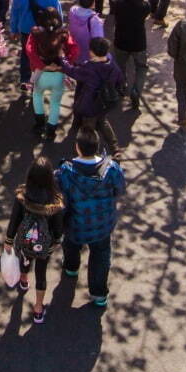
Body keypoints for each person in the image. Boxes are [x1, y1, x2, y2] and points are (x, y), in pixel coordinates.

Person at [55, 126, 126, 307]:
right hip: (102, 224)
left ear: (77, 147)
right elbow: (120, 189)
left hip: (75, 223)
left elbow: (58, 195)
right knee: (101, 256)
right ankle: (98, 294)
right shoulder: (111, 168)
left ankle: (71, 268)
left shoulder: (65, 171)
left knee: (71, 245)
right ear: (97, 146)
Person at [3, 155, 64, 323]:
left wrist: (9, 240)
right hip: (44, 245)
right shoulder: (54, 201)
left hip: (26, 241)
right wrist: (56, 241)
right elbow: (58, 228)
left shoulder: (22, 196)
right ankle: (38, 308)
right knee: (41, 273)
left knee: (25, 259)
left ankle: (23, 280)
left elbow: (14, 220)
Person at [62, 36, 125, 157]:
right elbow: (120, 81)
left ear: (92, 52)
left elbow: (71, 70)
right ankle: (115, 148)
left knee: (88, 131)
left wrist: (62, 58)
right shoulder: (113, 66)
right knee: (103, 121)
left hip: (89, 104)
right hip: (105, 103)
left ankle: (91, 154)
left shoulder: (89, 67)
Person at [8, 0, 62, 95]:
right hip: (45, 31)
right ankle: (38, 82)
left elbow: (14, 14)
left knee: (26, 54)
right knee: (42, 56)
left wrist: (14, 30)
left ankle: (25, 79)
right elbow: (58, 15)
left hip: (26, 31)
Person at [27, 10, 78, 142]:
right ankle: (51, 131)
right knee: (55, 103)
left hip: (41, 73)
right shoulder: (64, 33)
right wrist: (65, 65)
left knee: (37, 96)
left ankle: (39, 124)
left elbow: (29, 50)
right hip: (59, 74)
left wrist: (42, 65)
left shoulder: (35, 33)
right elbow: (74, 49)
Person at [111, 0, 152, 112]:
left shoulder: (117, 3)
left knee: (120, 65)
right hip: (138, 43)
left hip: (121, 41)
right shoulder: (144, 6)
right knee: (141, 68)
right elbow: (148, 8)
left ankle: (122, 86)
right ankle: (136, 91)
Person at [67, 0, 104, 64]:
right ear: (93, 3)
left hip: (74, 54)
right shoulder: (95, 21)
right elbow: (98, 43)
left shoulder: (72, 11)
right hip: (88, 60)